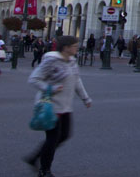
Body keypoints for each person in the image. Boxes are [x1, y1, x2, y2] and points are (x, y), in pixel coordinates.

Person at [25, 35, 92, 177]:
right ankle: (44, 170)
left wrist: (85, 98)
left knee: (64, 135)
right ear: (66, 48)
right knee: (53, 138)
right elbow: (34, 79)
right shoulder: (51, 61)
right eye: (74, 46)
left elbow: (77, 81)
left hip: (66, 106)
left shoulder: (72, 61)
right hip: (51, 105)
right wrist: (51, 88)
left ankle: (34, 158)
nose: (77, 48)